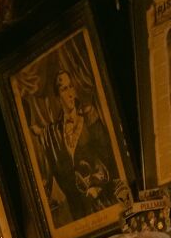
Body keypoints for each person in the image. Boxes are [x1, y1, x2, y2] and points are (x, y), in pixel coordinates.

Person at [41, 70, 120, 224]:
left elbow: (107, 154)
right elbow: (55, 171)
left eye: (71, 87)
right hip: (77, 211)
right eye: (64, 89)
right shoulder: (53, 133)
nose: (71, 93)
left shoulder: (89, 116)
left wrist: (96, 184)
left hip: (102, 201)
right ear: (57, 97)